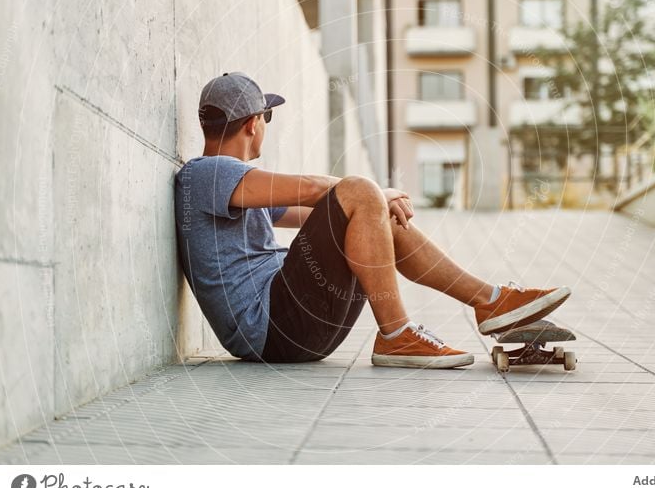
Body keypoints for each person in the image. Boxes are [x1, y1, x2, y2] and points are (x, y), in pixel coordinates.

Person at [174, 72, 571, 369]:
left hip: (291, 328)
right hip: (275, 328)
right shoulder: (208, 173)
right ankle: (398, 334)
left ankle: (489, 301)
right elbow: (317, 189)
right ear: (252, 124)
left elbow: (324, 212)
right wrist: (374, 194)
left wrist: (373, 209)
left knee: (365, 205)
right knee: (360, 190)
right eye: (267, 119)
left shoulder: (231, 185)